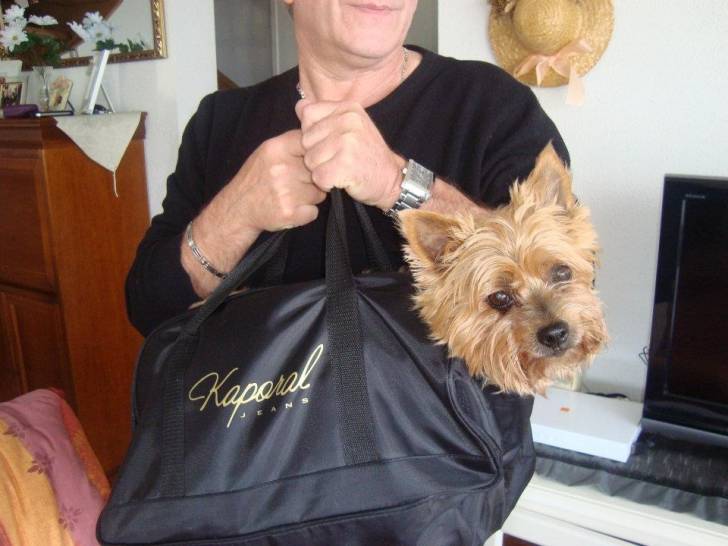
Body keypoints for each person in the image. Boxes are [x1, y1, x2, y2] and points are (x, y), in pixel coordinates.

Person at [125, 0, 569, 336]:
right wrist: (235, 214)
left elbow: (564, 291)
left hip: (442, 433)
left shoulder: (491, 105)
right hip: (261, 430)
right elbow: (150, 312)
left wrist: (397, 182)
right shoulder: (221, 122)